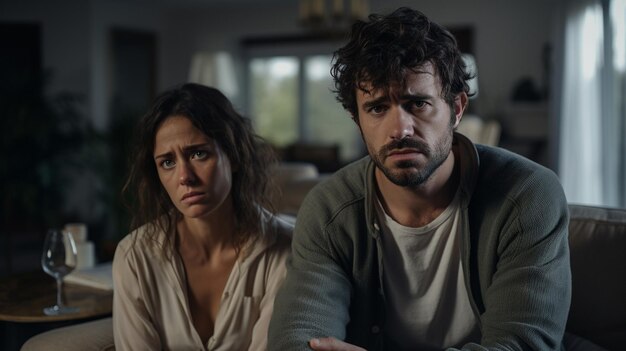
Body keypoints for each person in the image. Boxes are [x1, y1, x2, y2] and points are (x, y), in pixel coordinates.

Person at [268, 7, 571, 351]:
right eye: (377, 108)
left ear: (456, 108)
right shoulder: (328, 210)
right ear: (357, 120)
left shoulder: (528, 196)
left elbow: (522, 345)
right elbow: (298, 340)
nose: (399, 130)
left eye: (417, 104)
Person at [113, 83, 292, 350]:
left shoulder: (283, 250)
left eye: (198, 154)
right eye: (168, 162)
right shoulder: (135, 257)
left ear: (233, 156)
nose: (185, 177)